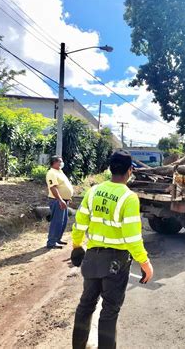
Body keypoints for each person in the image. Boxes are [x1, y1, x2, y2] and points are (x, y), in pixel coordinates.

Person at [71, 150, 154, 349]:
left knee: (85, 305)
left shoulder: (93, 191)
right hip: (116, 261)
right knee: (109, 311)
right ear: (130, 171)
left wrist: (76, 246)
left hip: (92, 257)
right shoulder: (129, 197)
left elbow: (80, 223)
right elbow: (132, 237)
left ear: (110, 169)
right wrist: (145, 263)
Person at [45, 155, 73, 249]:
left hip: (64, 200)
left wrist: (68, 197)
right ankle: (51, 242)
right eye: (60, 162)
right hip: (57, 201)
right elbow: (53, 187)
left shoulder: (59, 172)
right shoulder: (51, 173)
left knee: (63, 221)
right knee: (57, 221)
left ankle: (57, 239)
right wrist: (60, 200)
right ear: (54, 162)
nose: (61, 163)